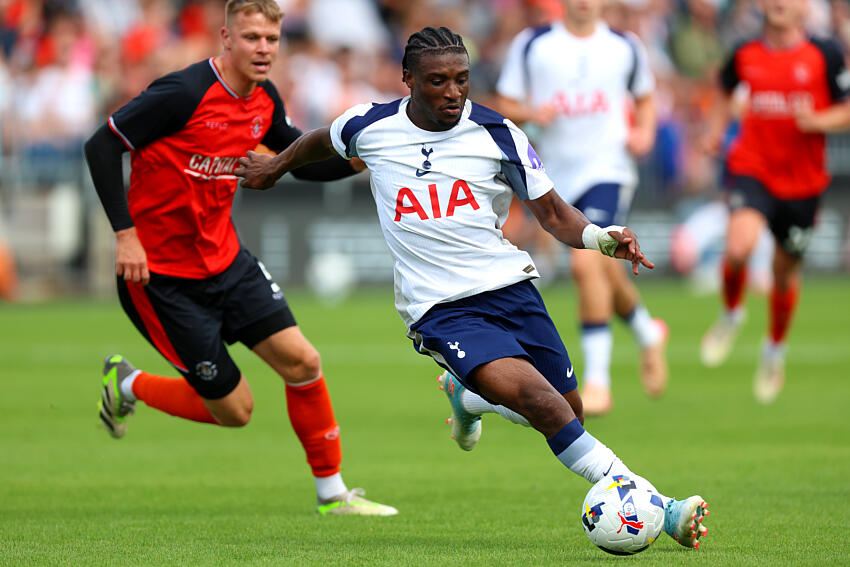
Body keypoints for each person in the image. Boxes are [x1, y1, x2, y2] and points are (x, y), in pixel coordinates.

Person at [236, 25, 709, 549]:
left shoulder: (497, 133)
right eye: (438, 81)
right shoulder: (369, 124)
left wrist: (601, 237)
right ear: (408, 80)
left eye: (461, 79)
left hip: (510, 291)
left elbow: (551, 213)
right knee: (544, 406)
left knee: (567, 413)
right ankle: (660, 507)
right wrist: (274, 166)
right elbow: (321, 140)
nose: (453, 92)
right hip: (439, 309)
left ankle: (470, 397)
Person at [83, 0, 396, 516]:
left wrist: (367, 158)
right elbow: (101, 146)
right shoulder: (183, 94)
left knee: (303, 360)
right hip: (159, 277)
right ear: (226, 38)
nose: (263, 49)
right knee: (236, 411)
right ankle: (129, 383)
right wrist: (125, 234)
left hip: (226, 261)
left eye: (271, 39)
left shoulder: (264, 100)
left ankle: (334, 495)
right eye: (251, 38)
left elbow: (298, 159)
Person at [493, 0, 669, 416]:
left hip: (607, 169)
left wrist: (643, 131)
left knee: (587, 263)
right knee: (605, 265)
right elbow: (505, 102)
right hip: (555, 176)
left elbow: (645, 98)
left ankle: (598, 382)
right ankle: (646, 331)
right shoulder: (534, 44)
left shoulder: (625, 46)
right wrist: (532, 112)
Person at [699, 0, 850, 403]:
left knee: (784, 274)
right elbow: (723, 89)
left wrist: (818, 121)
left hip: (803, 184)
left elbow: (846, 110)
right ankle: (732, 313)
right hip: (754, 169)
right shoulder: (745, 53)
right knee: (737, 247)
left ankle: (773, 351)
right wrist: (715, 130)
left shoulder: (826, 54)